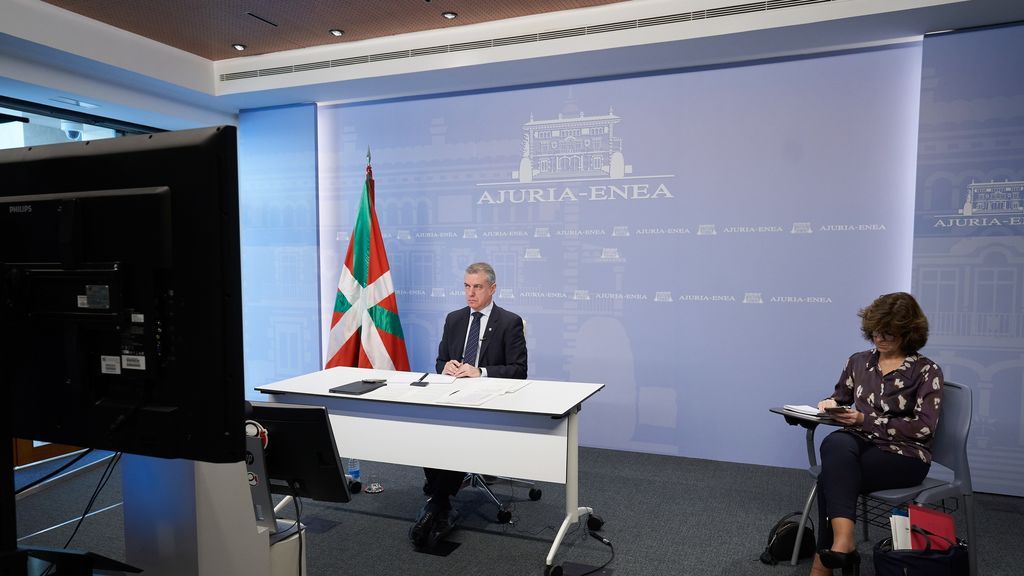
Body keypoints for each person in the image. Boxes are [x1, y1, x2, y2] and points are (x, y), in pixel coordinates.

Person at [811, 292, 943, 576]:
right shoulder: (858, 361)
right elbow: (841, 397)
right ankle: (843, 545)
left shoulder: (926, 371)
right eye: (875, 332)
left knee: (830, 478)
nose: (880, 339)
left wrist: (864, 419)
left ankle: (825, 561)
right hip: (861, 444)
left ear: (908, 333)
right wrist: (830, 405)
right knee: (835, 442)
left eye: (889, 334)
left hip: (904, 454)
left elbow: (923, 428)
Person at [408, 262, 528, 549]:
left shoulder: (509, 322)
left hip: (489, 401)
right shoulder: (454, 319)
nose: (470, 293)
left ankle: (437, 504)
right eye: (466, 286)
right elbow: (439, 361)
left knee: (455, 433)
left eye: (477, 287)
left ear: (492, 289)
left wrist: (481, 372)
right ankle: (440, 500)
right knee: (425, 426)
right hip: (451, 396)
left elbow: (519, 370)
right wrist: (446, 366)